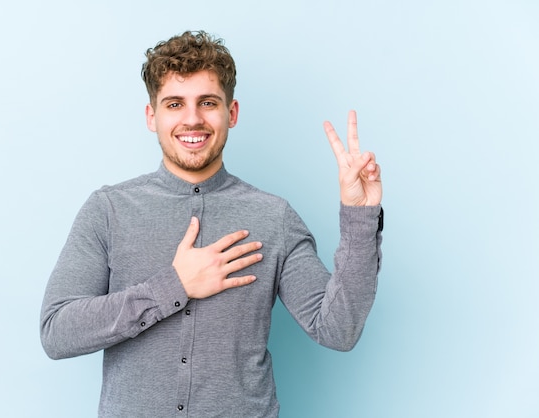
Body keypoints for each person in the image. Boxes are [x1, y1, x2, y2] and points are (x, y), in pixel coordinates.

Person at [40, 30, 383, 417]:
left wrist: (360, 215)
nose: (192, 119)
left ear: (231, 113)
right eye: (174, 104)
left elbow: (337, 330)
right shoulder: (108, 210)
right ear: (152, 116)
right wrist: (174, 286)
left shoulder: (274, 217)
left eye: (207, 102)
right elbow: (57, 332)